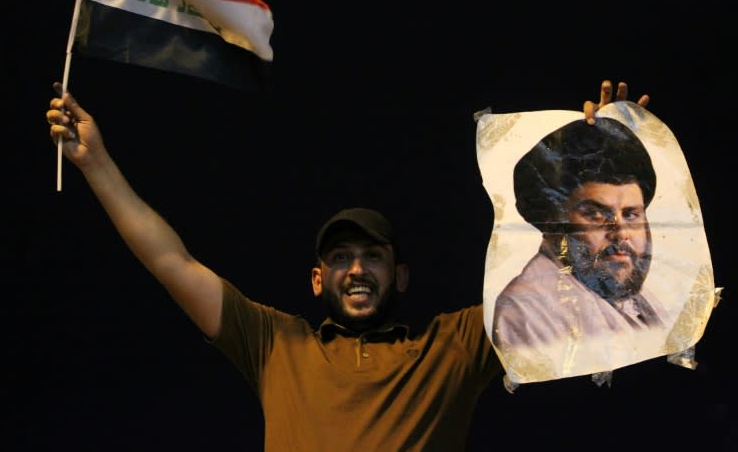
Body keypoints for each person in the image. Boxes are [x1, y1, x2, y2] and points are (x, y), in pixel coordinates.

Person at [45, 80, 648, 451]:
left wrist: (589, 152)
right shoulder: (274, 344)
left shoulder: (455, 344)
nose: (356, 270)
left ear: (400, 276)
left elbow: (576, 276)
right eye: (340, 259)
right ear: (318, 279)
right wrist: (95, 163)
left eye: (372, 257)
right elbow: (169, 259)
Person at [491, 113, 671, 364]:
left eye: (631, 214)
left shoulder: (631, 296)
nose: (620, 232)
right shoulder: (526, 312)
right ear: (553, 222)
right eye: (595, 214)